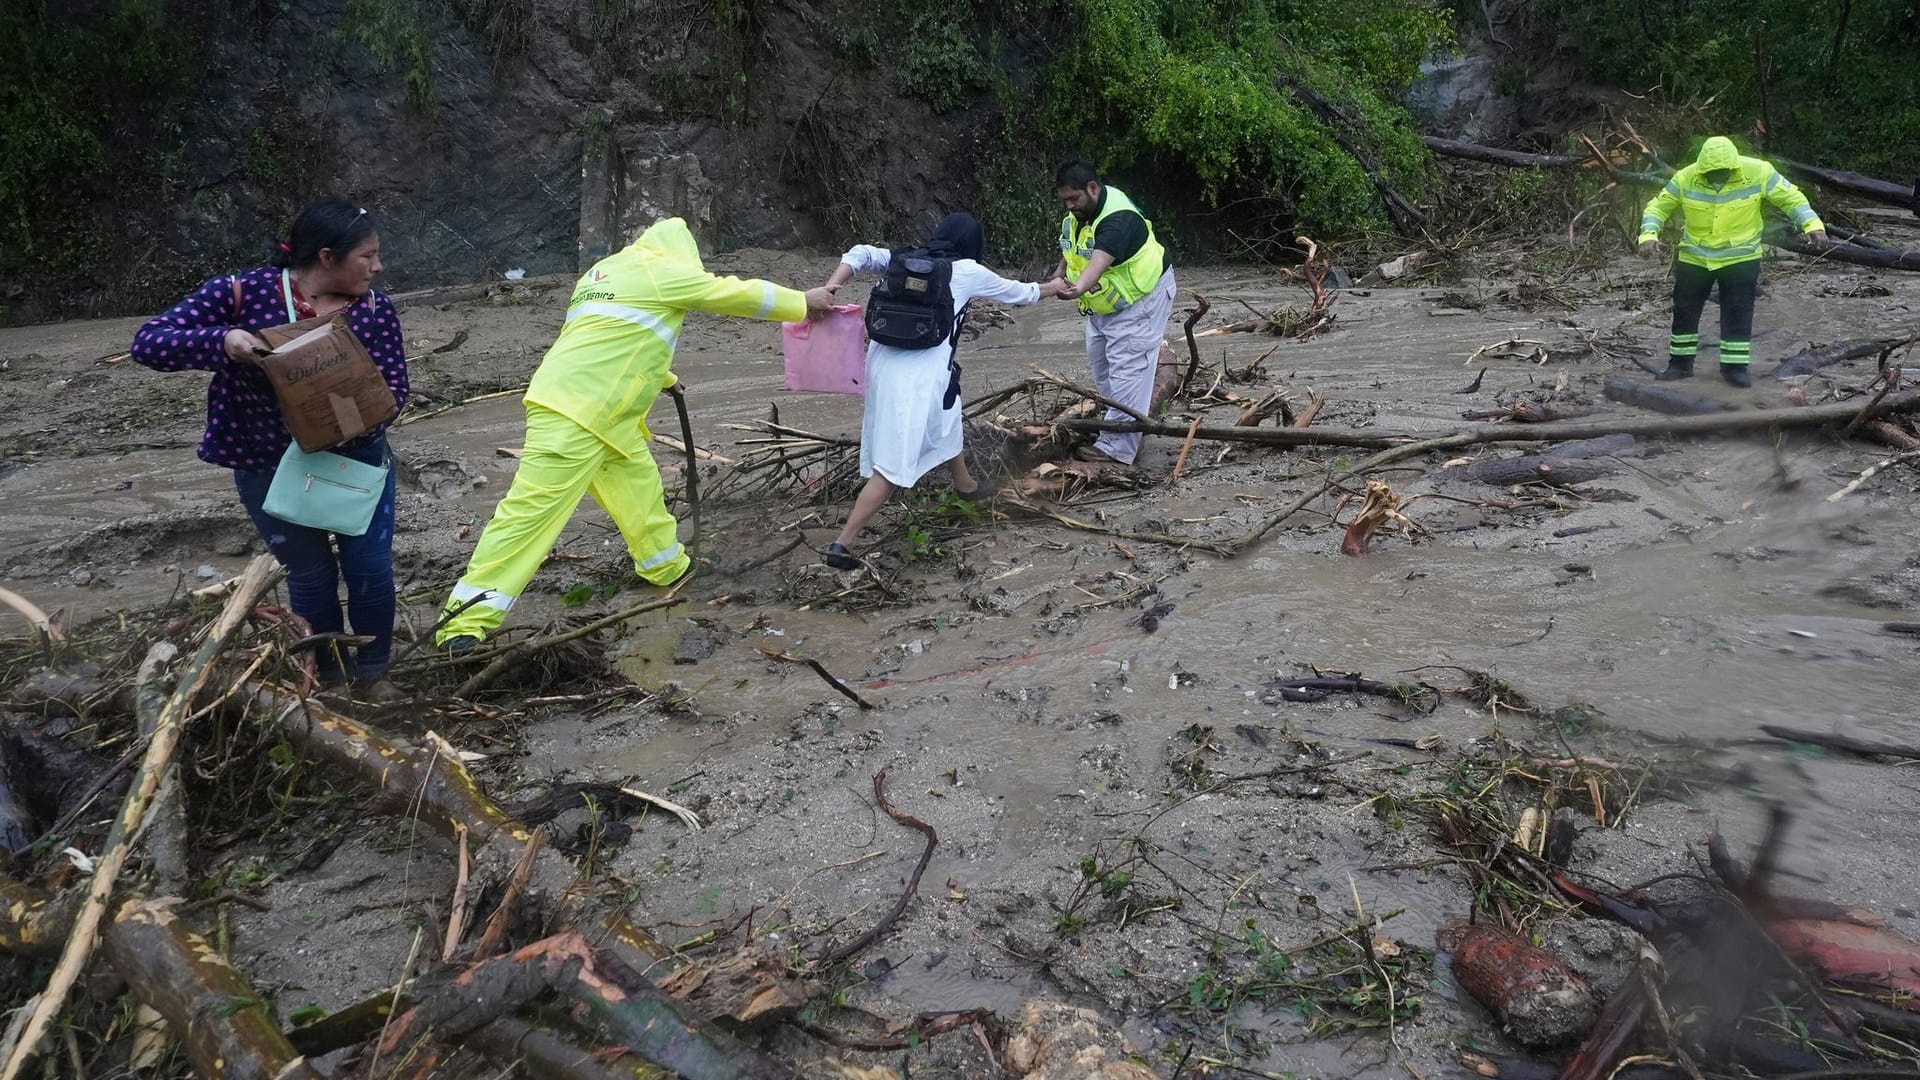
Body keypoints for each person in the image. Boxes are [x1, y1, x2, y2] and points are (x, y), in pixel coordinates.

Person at [435, 217, 837, 652]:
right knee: (529, 517)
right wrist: (801, 301)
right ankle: (463, 623)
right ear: (682, 253)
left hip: (599, 412)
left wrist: (664, 377)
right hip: (580, 415)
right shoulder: (661, 271)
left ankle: (666, 569)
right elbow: (730, 293)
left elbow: (615, 338)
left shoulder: (602, 273)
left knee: (639, 491)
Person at [132, 197, 408, 700]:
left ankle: (374, 672)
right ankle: (327, 678)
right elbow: (149, 342)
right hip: (268, 462)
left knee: (369, 567)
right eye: (367, 256)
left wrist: (357, 417)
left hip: (356, 461)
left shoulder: (374, 310)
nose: (378, 266)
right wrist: (224, 341)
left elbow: (396, 390)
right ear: (327, 257)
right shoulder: (242, 295)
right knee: (310, 573)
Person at [817, 213, 1067, 569]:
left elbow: (859, 253)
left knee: (948, 414)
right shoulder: (966, 271)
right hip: (918, 376)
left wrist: (832, 286)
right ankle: (842, 545)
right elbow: (1021, 294)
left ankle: (964, 485)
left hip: (882, 363)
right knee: (893, 464)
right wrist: (1054, 287)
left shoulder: (904, 258)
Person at [1638, 135, 1828, 388]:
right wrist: (1648, 235)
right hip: (1695, 257)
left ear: (1734, 166)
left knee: (1738, 312)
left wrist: (1812, 225)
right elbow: (1657, 207)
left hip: (1741, 256)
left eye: (1722, 173)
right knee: (1685, 311)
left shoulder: (1759, 171)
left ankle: (1734, 370)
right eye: (1711, 173)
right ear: (1701, 167)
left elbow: (1791, 198)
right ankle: (1680, 366)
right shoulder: (1686, 177)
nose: (1717, 177)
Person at [1052, 161, 1176, 464]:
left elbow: (1097, 262)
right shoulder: (1078, 215)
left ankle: (1117, 451)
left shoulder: (1117, 218)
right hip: (1104, 306)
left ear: (1092, 188)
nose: (1070, 206)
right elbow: (1072, 251)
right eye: (1065, 200)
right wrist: (1058, 274)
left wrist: (1076, 289)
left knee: (1127, 371)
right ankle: (1120, 425)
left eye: (1074, 199)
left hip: (1141, 300)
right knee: (1102, 369)